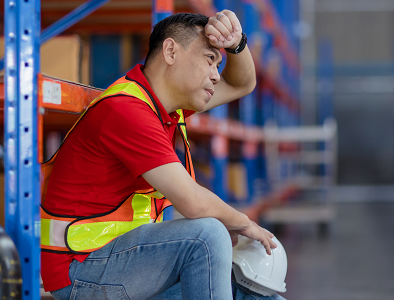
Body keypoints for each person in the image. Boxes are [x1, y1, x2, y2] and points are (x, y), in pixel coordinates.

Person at [41, 10, 285, 300]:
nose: (215, 75)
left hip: (122, 264)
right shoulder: (127, 110)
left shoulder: (166, 110)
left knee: (255, 296)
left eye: (219, 64)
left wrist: (237, 44)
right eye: (209, 59)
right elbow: (193, 203)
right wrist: (244, 223)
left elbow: (243, 84)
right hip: (80, 272)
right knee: (208, 236)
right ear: (170, 51)